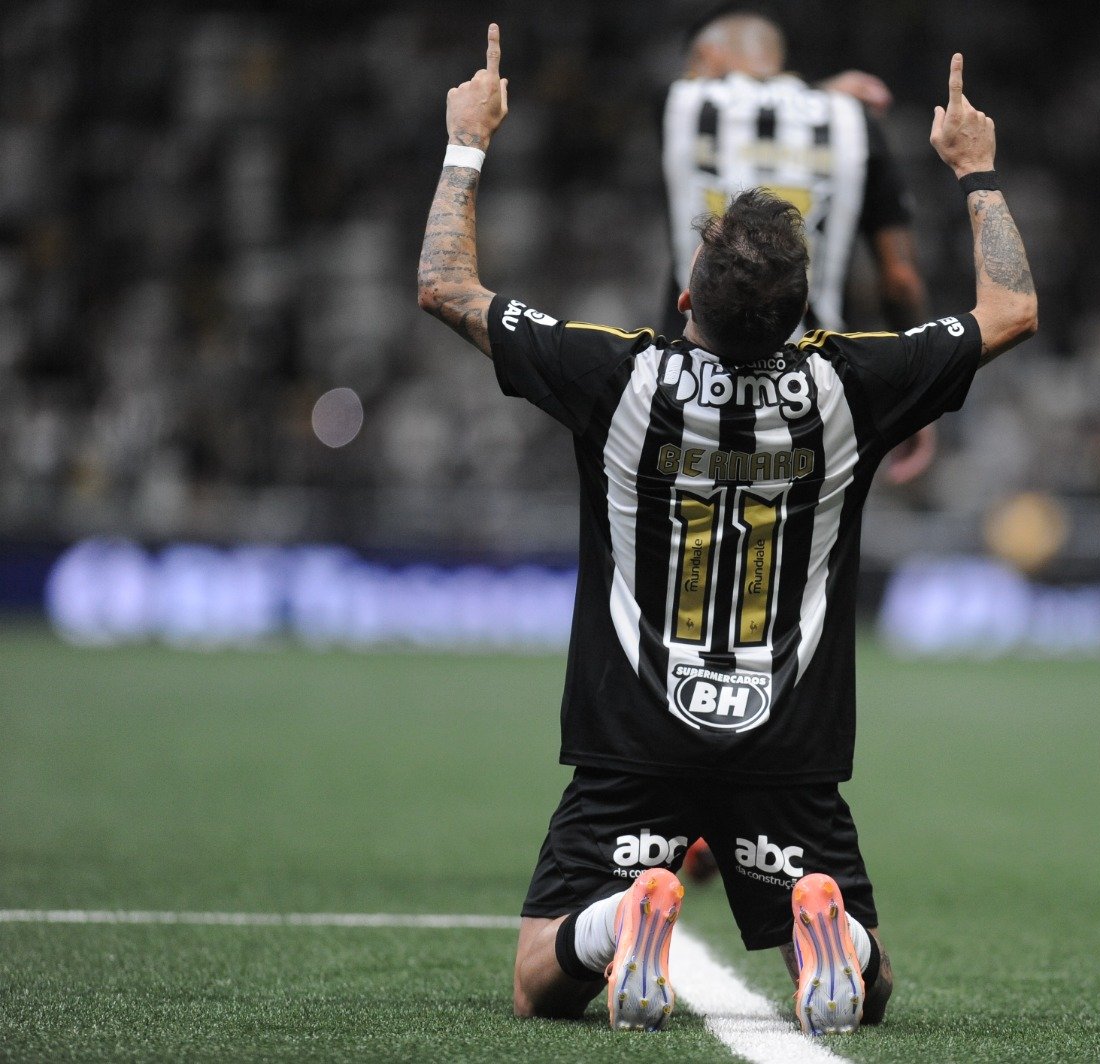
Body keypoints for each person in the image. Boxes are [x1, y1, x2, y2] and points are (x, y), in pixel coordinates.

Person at [417, 24, 1036, 1035]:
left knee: (539, 977)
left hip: (634, 738)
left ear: (683, 295)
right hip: (785, 748)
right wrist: (977, 170)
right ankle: (828, 934)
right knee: (873, 987)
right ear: (802, 313)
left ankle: (623, 917)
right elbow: (1010, 309)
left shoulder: (616, 376)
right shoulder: (851, 384)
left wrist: (466, 142)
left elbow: (444, 285)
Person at [660, 7, 937, 487]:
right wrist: (920, 395)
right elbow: (900, 279)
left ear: (707, 56)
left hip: (686, 388)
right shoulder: (854, 122)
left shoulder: (680, 103)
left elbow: (748, 108)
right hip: (813, 391)